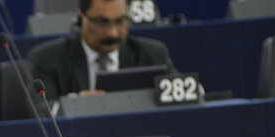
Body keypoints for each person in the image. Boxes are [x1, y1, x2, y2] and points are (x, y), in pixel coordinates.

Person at [27, 0, 176, 101]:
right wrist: (76, 103)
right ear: (81, 17)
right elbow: (41, 110)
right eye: (101, 22)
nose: (112, 33)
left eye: (120, 21)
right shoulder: (47, 59)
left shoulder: (154, 54)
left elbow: (189, 96)